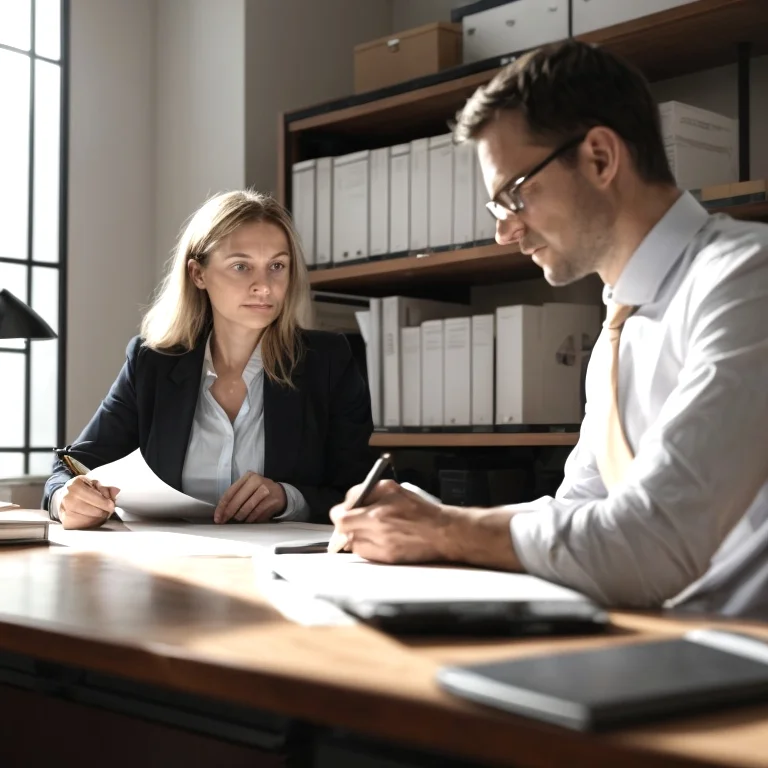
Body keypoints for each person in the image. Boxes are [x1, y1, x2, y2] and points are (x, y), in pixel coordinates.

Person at [329, 40, 768, 619]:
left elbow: (651, 542)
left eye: (515, 194)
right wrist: (424, 518)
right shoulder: (620, 324)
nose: (504, 232)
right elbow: (582, 515)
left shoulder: (746, 279)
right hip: (655, 636)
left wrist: (446, 529)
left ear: (600, 158)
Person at [45, 190, 374, 529]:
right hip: (164, 558)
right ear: (197, 274)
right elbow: (73, 467)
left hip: (280, 559)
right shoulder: (151, 362)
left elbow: (366, 491)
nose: (264, 286)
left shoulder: (327, 361)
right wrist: (65, 498)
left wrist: (288, 498)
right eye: (241, 266)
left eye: (277, 266)